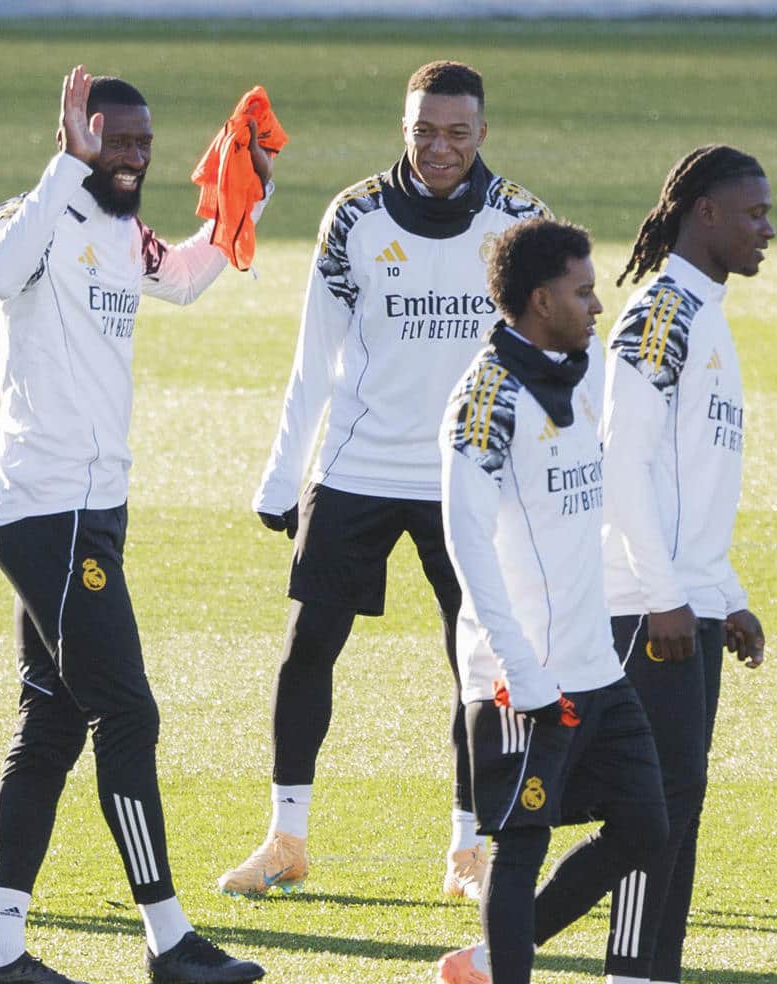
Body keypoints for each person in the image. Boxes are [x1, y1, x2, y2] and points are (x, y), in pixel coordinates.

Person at [0, 67, 271, 984]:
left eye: (143, 143)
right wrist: (67, 164)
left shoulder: (121, 232)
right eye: (115, 140)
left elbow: (181, 279)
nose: (132, 157)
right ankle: (169, 938)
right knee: (128, 714)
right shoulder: (33, 215)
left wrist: (243, 198)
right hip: (46, 507)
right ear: (79, 134)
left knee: (52, 724)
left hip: (92, 509)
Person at [220, 60, 549, 902]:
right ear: (404, 128)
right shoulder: (355, 217)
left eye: (457, 132)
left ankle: (469, 850)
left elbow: (551, 356)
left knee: (477, 663)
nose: (439, 148)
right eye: (423, 131)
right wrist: (281, 478)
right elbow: (313, 356)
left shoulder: (522, 222)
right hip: (357, 464)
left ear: (483, 133)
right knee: (307, 650)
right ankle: (286, 839)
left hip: (468, 473)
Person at [430, 218, 708, 984]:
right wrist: (520, 670)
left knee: (646, 824)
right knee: (520, 845)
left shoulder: (574, 378)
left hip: (595, 666)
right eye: (584, 292)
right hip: (525, 678)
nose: (597, 304)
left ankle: (482, 966)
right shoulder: (485, 400)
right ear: (541, 299)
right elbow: (467, 545)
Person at [593, 145, 776, 984]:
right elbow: (622, 461)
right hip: (645, 602)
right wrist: (667, 595)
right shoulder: (661, 313)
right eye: (753, 214)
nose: (768, 230)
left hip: (686, 598)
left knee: (683, 800)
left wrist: (722, 593)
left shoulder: (703, 313)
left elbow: (689, 482)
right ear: (704, 213)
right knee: (652, 804)